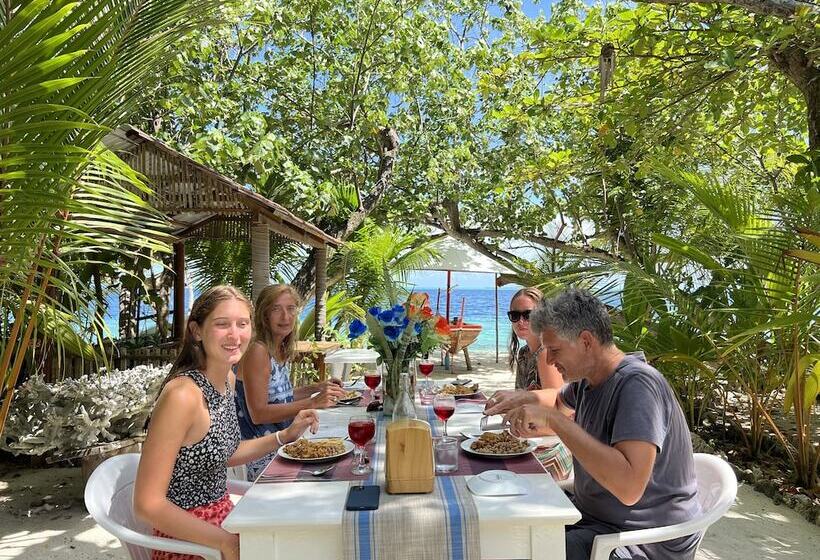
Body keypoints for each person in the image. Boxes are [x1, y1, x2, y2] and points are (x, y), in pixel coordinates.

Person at [489, 288, 700, 560]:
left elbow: (629, 487)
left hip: (644, 538)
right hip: (594, 518)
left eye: (554, 350)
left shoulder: (637, 385)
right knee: (509, 528)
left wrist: (554, 420)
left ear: (586, 341)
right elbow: (558, 405)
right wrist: (524, 405)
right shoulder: (588, 381)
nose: (549, 360)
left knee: (524, 551)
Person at [134, 285, 320, 560]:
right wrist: (227, 542)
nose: (235, 335)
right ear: (197, 331)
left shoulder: (227, 380)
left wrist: (285, 436)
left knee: (308, 533)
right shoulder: (182, 395)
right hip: (191, 541)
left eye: (242, 324)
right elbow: (147, 504)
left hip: (225, 519)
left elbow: (226, 453)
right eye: (222, 324)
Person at [234, 284, 346, 480]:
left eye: (291, 308)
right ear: (264, 315)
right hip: (264, 458)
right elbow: (258, 413)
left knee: (340, 452)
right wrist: (313, 402)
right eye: (276, 309)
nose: (285, 316)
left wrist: (317, 388)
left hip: (285, 447)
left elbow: (280, 397)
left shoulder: (277, 348)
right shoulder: (258, 350)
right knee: (337, 470)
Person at [507, 287, 563, 391]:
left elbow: (556, 399)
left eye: (528, 315)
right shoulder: (524, 353)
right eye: (515, 315)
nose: (520, 321)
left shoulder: (546, 353)